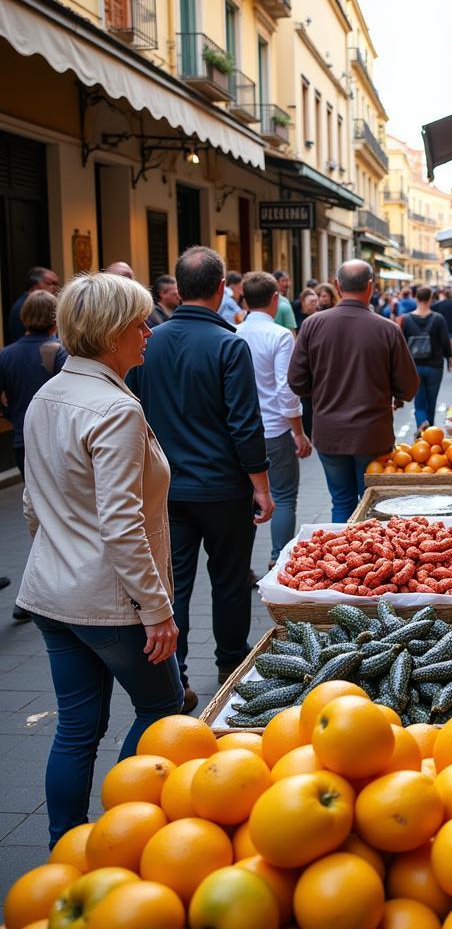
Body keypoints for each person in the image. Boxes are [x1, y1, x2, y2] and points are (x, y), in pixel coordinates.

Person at [17, 272, 182, 847]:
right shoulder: (115, 409)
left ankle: (66, 842)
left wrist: (57, 550)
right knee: (161, 710)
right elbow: (121, 522)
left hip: (51, 594)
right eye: (140, 323)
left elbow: (32, 500)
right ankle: (122, 834)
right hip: (110, 603)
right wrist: (156, 609)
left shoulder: (48, 395)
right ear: (111, 332)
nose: (148, 333)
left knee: (77, 728)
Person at [128, 246, 272, 712]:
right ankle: (231, 668)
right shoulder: (229, 345)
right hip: (223, 488)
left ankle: (176, 678)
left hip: (165, 488)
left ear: (176, 287)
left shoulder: (148, 341)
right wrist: (262, 487)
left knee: (175, 585)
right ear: (219, 290)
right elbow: (245, 424)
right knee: (229, 581)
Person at [288, 259, 418, 521]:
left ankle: (345, 557)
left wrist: (323, 390)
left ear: (337, 286)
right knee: (374, 506)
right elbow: (409, 386)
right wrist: (391, 392)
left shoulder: (313, 325)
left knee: (341, 501)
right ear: (371, 287)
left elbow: (296, 380)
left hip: (329, 432)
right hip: (372, 433)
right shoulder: (387, 329)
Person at [236, 272, 312, 569]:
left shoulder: (233, 333)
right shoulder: (280, 335)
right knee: (283, 496)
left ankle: (241, 564)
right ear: (275, 299)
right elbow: (286, 389)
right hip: (275, 429)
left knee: (245, 499)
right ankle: (278, 557)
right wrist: (299, 432)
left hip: (241, 431)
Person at [0, 291, 66, 623]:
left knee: (39, 510)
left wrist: (11, 414)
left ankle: (35, 590)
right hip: (54, 441)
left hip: (21, 440)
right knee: (56, 513)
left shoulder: (6, 354)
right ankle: (38, 589)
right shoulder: (57, 352)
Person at [403, 286, 452, 431]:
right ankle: (429, 432)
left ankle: (421, 425)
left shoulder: (407, 319)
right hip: (435, 365)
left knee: (419, 401)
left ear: (416, 298)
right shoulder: (438, 319)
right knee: (431, 401)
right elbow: (445, 341)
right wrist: (450, 358)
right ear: (431, 298)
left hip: (415, 366)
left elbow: (403, 344)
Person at [7, 267, 60, 342]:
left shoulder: (44, 304)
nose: (56, 288)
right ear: (35, 285)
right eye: (50, 283)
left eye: (56, 284)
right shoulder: (22, 306)